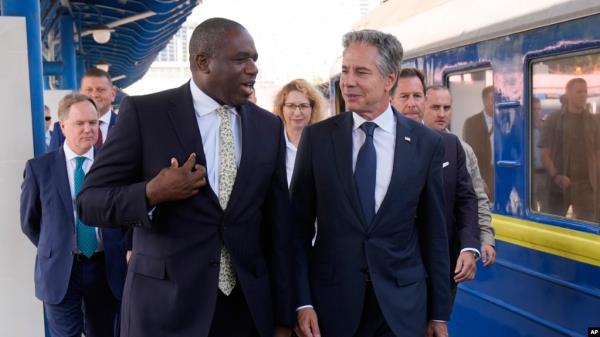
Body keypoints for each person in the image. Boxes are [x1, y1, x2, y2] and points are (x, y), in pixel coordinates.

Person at [76, 18, 294, 337]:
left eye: (254, 59)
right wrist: (151, 193)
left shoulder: (269, 127)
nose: (253, 69)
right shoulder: (145, 114)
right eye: (241, 59)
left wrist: (283, 317)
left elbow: (278, 227)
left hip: (246, 311)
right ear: (202, 62)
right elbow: (89, 203)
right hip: (165, 311)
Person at [292, 30, 450, 337]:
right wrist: (302, 302)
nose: (348, 82)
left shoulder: (426, 144)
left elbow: (434, 233)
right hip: (331, 309)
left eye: (361, 72)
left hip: (402, 310)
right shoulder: (317, 139)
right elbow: (296, 229)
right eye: (346, 70)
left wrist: (439, 314)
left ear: (389, 79)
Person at [20, 93, 127, 337]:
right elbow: (30, 222)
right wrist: (57, 245)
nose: (89, 129)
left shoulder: (113, 167)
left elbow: (124, 215)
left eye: (94, 122)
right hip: (60, 271)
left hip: (106, 268)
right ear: (63, 126)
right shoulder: (39, 168)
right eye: (80, 123)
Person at [392, 71, 480, 308]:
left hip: (441, 267)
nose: (412, 103)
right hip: (392, 271)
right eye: (404, 96)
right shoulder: (374, 143)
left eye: (417, 96)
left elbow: (467, 200)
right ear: (390, 98)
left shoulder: (450, 145)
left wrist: (469, 247)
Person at [539, 78, 600, 222]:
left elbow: (597, 152)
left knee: (589, 229)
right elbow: (545, 153)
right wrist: (556, 176)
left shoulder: (593, 121)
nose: (583, 95)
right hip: (559, 184)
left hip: (586, 186)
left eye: (585, 91)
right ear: (568, 94)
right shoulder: (553, 119)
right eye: (579, 91)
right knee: (552, 225)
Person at [273, 79, 327, 186]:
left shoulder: (326, 144)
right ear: (281, 108)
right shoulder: (271, 144)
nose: (297, 113)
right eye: (291, 105)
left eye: (303, 106)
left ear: (313, 108)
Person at [49, 68, 118, 151]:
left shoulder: (126, 126)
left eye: (101, 90)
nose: (94, 94)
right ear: (80, 94)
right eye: (89, 90)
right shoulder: (62, 127)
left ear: (113, 94)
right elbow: (54, 160)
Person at [463, 86, 495, 200]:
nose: (496, 102)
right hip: (483, 174)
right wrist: (478, 178)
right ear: (485, 101)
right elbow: (470, 153)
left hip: (501, 174)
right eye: (493, 99)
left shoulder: (506, 121)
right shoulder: (472, 123)